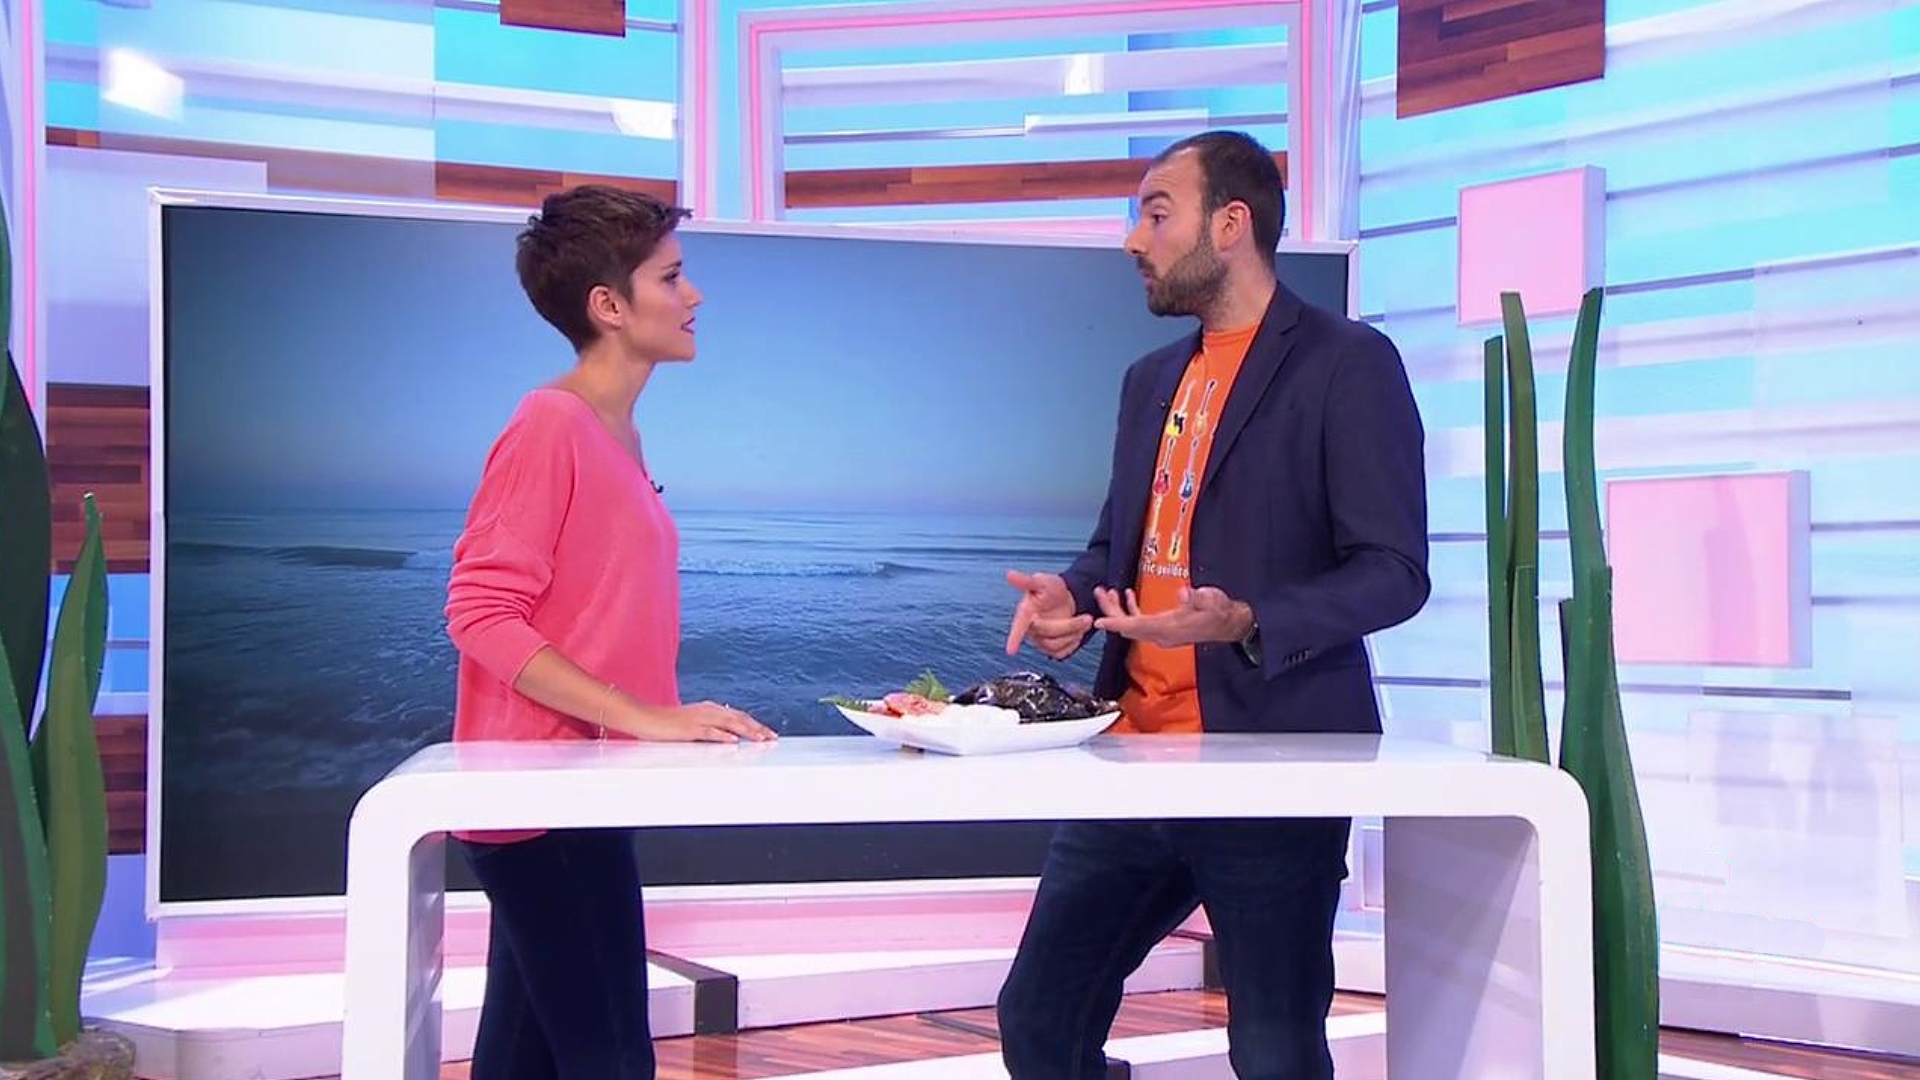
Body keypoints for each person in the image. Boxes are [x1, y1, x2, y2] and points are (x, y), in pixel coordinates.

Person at [998, 131, 1431, 1079]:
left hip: (1274, 763)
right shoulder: (1148, 380)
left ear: (1231, 224)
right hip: (1134, 758)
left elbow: (1394, 570)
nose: (1133, 239)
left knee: (1274, 1052)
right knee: (1037, 1020)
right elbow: (1120, 547)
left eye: (1157, 213)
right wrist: (1073, 593)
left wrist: (1249, 621)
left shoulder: (1347, 363)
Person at [443, 184, 776, 1080]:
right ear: (609, 306)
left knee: (525, 1061)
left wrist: (640, 728)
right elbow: (479, 613)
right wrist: (647, 716)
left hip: (583, 795)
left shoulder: (614, 432)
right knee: (614, 1062)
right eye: (671, 276)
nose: (694, 294)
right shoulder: (549, 424)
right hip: (541, 804)